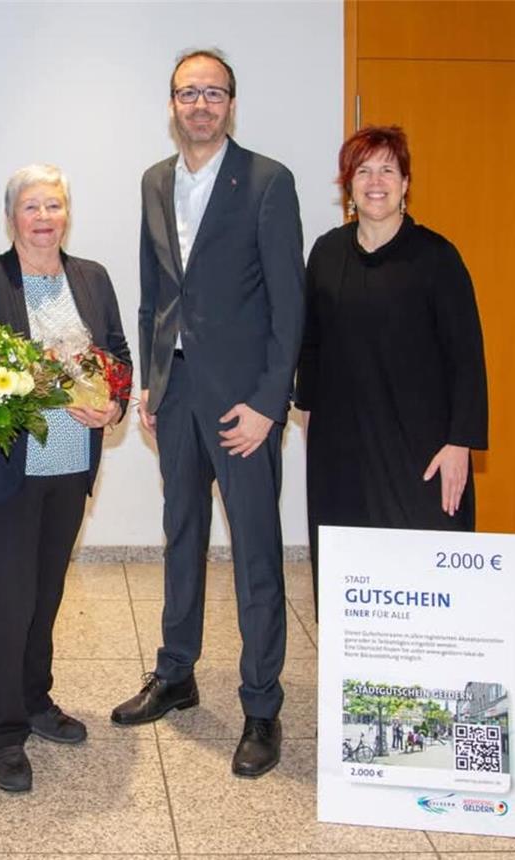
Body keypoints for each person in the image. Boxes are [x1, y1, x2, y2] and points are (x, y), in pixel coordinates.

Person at [111, 49, 305, 779]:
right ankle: (177, 672)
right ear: (172, 104)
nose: (200, 105)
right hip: (178, 390)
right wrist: (151, 387)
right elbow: (152, 290)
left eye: (213, 93)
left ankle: (261, 705)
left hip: (244, 399)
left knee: (256, 553)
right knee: (180, 535)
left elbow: (290, 305)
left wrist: (268, 403)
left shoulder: (266, 181)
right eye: (187, 93)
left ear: (230, 103)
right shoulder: (155, 182)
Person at [0, 164, 131, 792]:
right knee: (8, 603)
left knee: (47, 596)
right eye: (32, 206)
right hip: (6, 474)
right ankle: (3, 733)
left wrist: (114, 405)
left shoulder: (93, 278)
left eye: (54, 204)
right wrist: (31, 389)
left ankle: (35, 701)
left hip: (70, 469)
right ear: (11, 217)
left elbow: (120, 359)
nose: (44, 217)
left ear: (66, 214)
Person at [295, 125, 488, 610]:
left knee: (421, 572)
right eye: (363, 170)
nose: (375, 181)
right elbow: (310, 343)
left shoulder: (438, 258)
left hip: (423, 451)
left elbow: (467, 356)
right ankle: (355, 680)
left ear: (405, 183)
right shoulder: (326, 253)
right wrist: (309, 412)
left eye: (387, 169)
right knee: (350, 573)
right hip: (342, 451)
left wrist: (459, 443)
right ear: (349, 185)